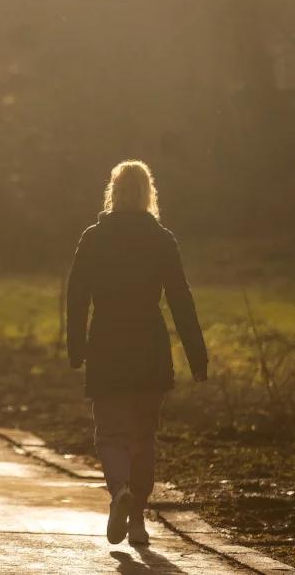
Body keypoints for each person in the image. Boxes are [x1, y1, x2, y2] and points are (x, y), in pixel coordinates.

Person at [66, 160, 208, 547]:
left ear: (113, 191)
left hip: (107, 343)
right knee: (144, 436)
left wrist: (75, 347)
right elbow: (181, 299)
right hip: (149, 344)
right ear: (149, 193)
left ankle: (119, 494)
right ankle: (139, 522)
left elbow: (76, 297)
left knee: (110, 434)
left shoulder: (93, 237)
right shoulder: (161, 239)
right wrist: (197, 356)